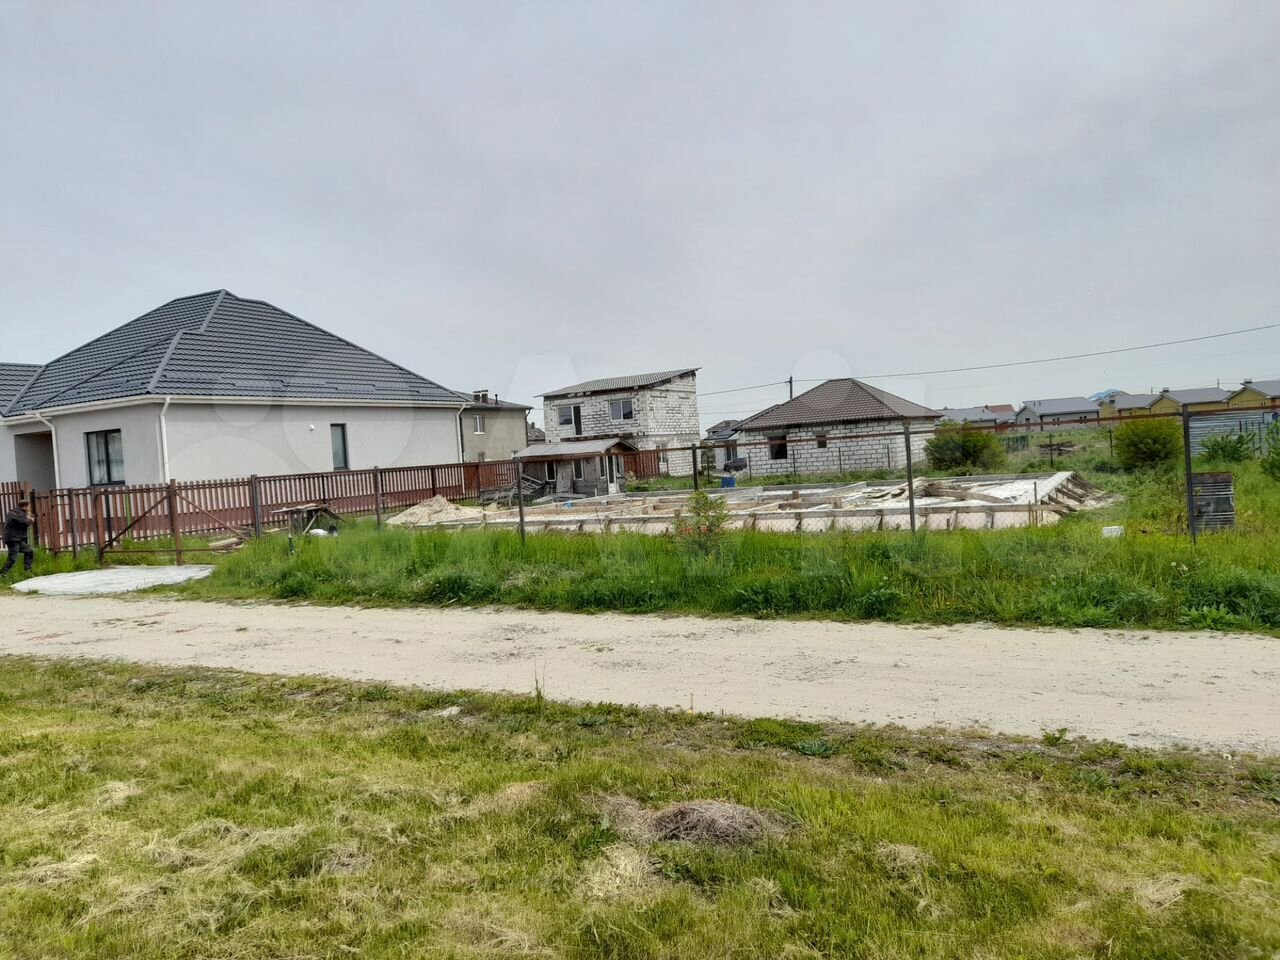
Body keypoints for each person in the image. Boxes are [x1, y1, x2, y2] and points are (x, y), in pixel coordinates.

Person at [2, 498, 35, 576]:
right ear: (25, 506)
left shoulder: (17, 512)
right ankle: (2, 574)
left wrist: (29, 517)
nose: (29, 509)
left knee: (29, 551)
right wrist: (31, 520)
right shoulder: (16, 513)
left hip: (17, 539)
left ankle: (27, 571)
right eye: (28, 506)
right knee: (12, 558)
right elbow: (24, 523)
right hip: (13, 539)